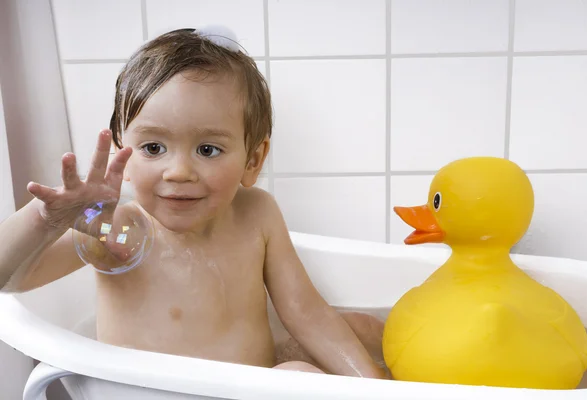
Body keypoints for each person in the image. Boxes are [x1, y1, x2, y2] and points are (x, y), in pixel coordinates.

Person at [0, 26, 387, 378]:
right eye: (153, 147)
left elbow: (306, 312)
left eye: (207, 148)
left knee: (353, 337)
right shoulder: (114, 228)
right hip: (154, 392)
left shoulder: (257, 214)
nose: (179, 171)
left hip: (251, 388)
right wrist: (47, 220)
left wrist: (372, 386)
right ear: (124, 155)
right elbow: (9, 277)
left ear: (252, 160)